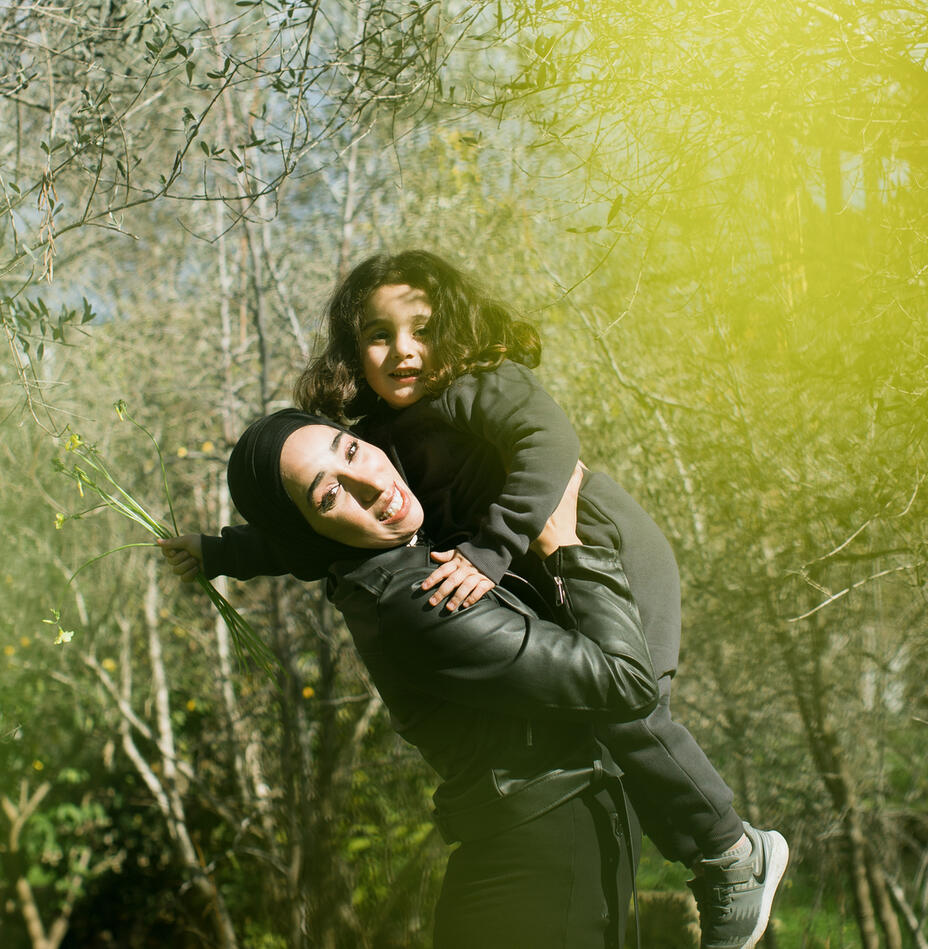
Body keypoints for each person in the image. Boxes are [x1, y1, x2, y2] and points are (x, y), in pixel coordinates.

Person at [169, 249, 788, 949]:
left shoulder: (478, 386)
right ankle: (709, 854)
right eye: (379, 335)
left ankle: (731, 853)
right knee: (610, 714)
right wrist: (222, 550)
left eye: (424, 328)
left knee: (633, 714)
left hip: (605, 549)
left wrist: (490, 552)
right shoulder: (373, 441)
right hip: (545, 573)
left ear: (456, 328)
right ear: (351, 352)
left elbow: (552, 443)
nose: (405, 350)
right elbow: (307, 538)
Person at [163, 410, 661, 949]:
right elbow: (625, 682)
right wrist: (567, 546)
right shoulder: (419, 602)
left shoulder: (382, 553)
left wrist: (219, 551)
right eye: (329, 497)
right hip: (541, 877)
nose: (375, 483)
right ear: (311, 529)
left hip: (545, 857)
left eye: (350, 450)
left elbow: (288, 546)